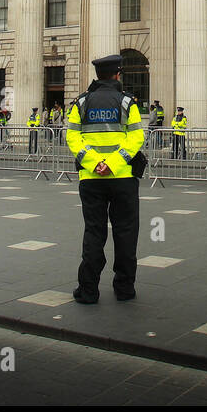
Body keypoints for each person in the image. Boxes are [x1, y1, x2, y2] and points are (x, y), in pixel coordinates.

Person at [65, 54, 145, 305]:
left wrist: (94, 163)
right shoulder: (126, 102)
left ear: (97, 76)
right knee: (126, 233)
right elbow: (136, 138)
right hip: (122, 177)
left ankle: (88, 290)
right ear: (117, 75)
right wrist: (112, 163)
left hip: (90, 178)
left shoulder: (80, 103)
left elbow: (72, 138)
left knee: (94, 233)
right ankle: (124, 288)